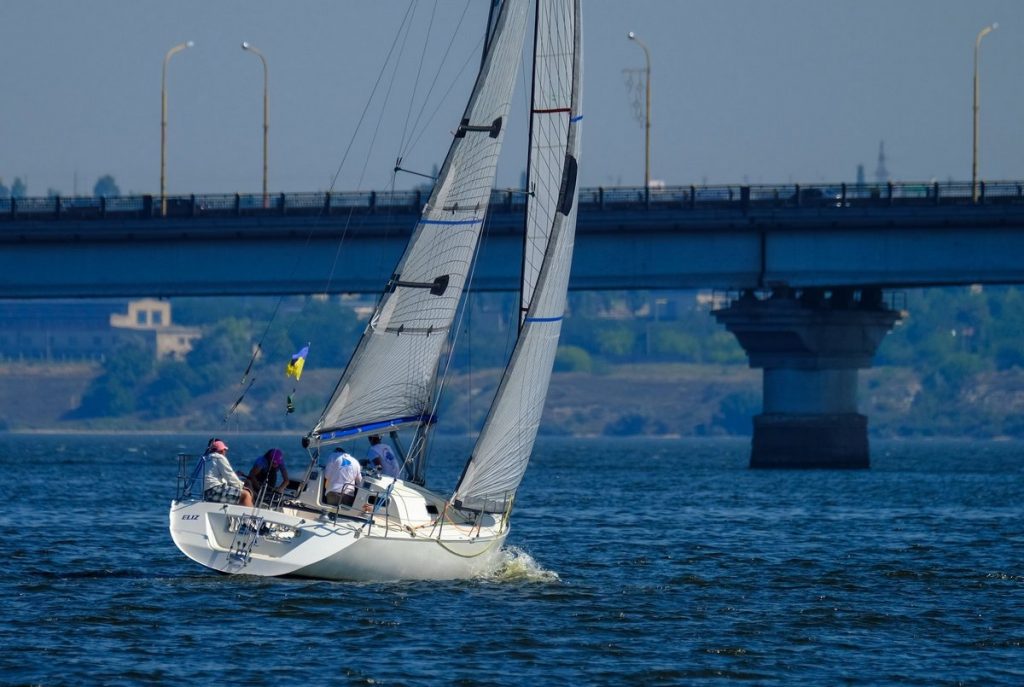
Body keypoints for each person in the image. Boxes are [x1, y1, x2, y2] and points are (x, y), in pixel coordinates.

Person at [203, 439, 253, 507]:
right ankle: (250, 517)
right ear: (221, 450)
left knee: (236, 493)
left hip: (203, 493)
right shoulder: (219, 458)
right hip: (213, 492)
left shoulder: (204, 459)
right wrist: (242, 486)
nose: (225, 452)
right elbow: (230, 476)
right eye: (225, 450)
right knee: (246, 495)